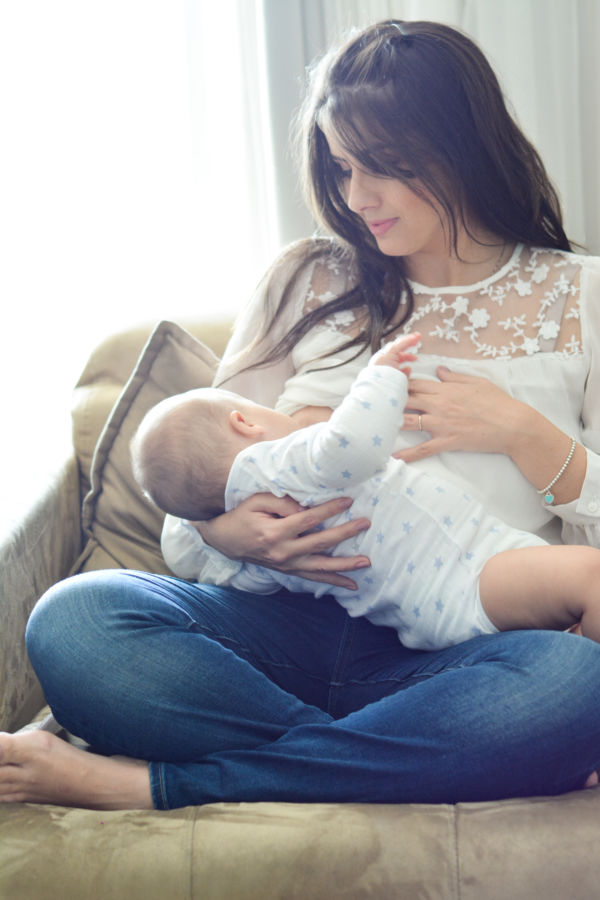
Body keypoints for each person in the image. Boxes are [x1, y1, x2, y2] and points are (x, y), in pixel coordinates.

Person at [3, 18, 600, 811]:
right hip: (271, 639)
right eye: (343, 168)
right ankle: (397, 758)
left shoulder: (579, 297)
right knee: (76, 619)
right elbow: (191, 495)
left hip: (466, 653)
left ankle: (159, 783)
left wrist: (527, 436)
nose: (358, 198)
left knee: (573, 683)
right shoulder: (305, 279)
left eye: (383, 168)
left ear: (462, 143)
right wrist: (229, 532)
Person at [132, 333, 600, 650]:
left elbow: (219, 569)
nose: (356, 196)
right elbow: (353, 445)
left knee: (562, 660)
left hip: (430, 606)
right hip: (469, 575)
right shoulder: (281, 461)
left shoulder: (256, 552)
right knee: (593, 580)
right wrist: (381, 374)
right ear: (245, 420)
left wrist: (214, 534)